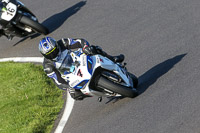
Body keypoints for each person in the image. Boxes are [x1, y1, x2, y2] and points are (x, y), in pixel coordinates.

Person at [38, 37, 124, 100]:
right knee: (75, 95)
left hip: (79, 59)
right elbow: (58, 82)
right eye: (49, 54)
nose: (53, 54)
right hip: (71, 74)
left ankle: (112, 58)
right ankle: (98, 92)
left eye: (54, 51)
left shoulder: (63, 42)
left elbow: (80, 41)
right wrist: (68, 87)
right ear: (44, 55)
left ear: (56, 45)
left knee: (94, 49)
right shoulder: (47, 66)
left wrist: (85, 47)